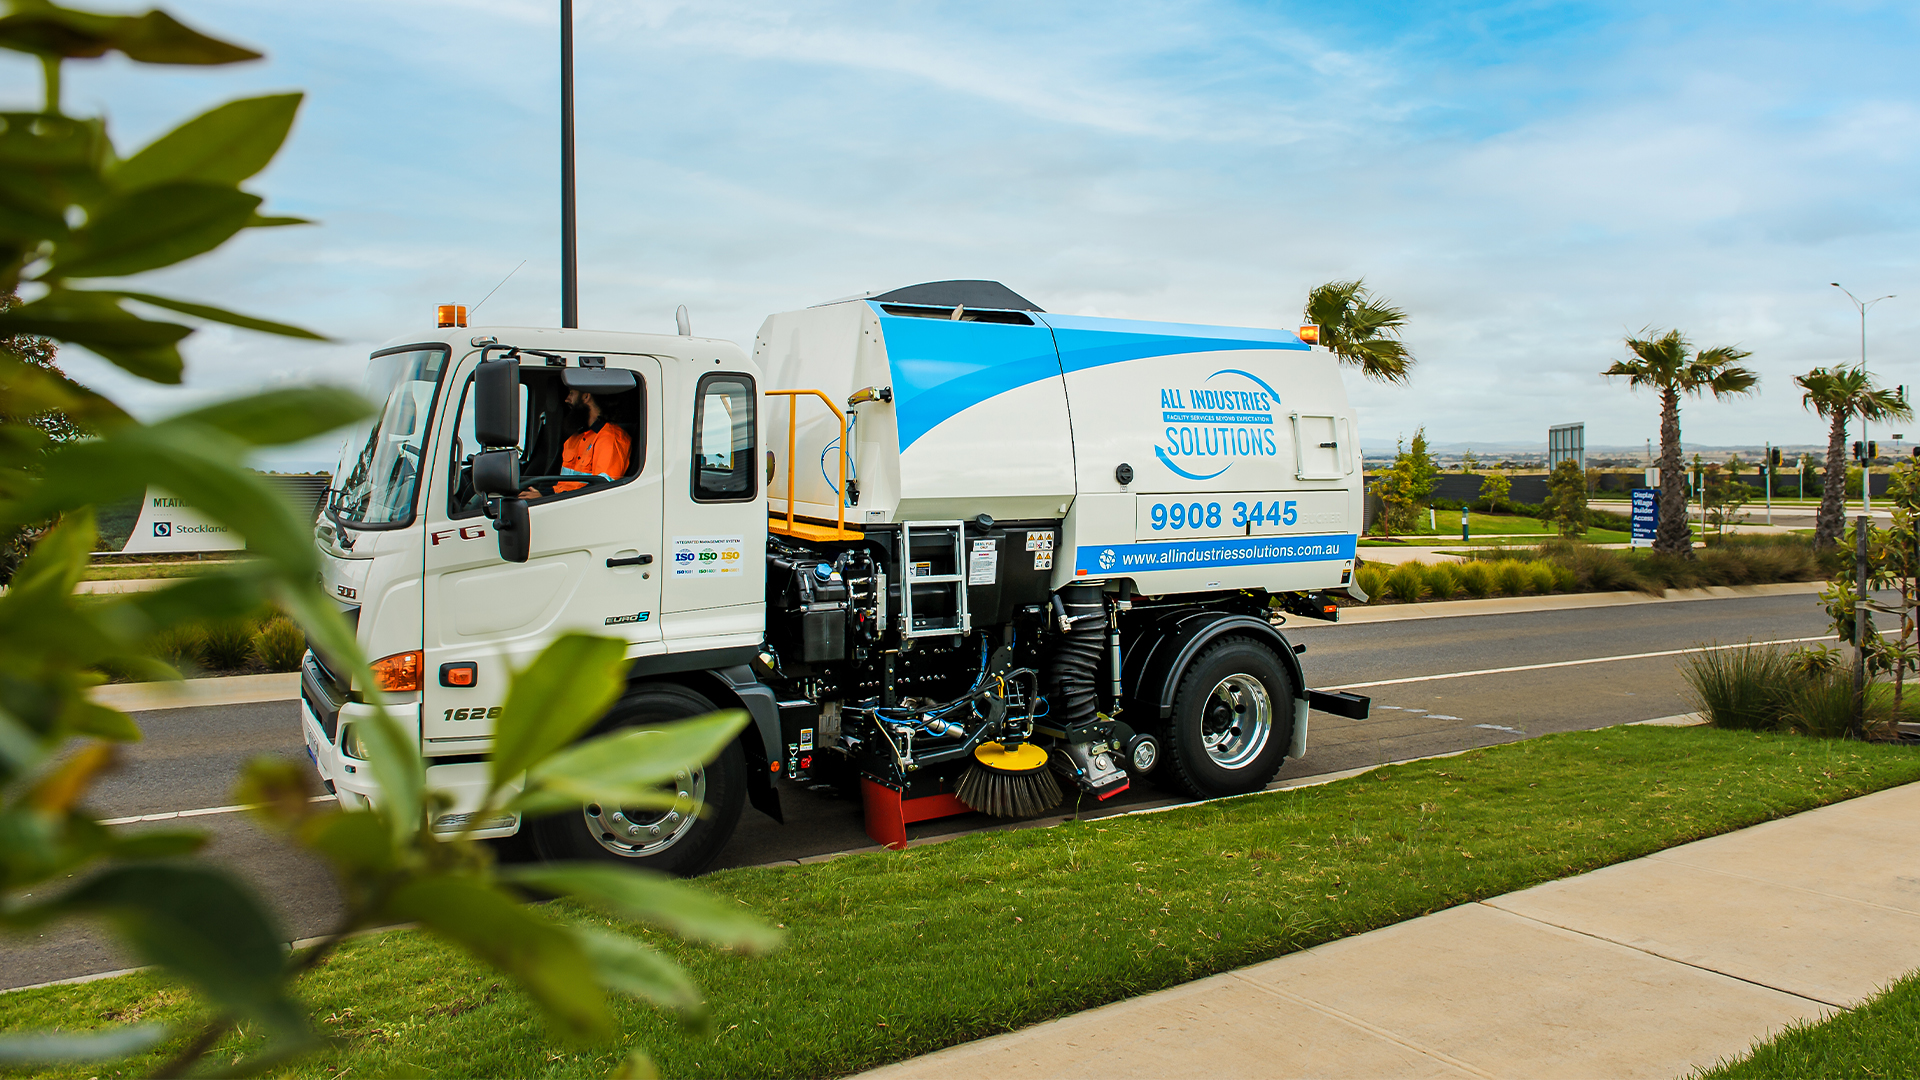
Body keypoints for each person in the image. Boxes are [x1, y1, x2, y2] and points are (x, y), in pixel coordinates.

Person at [521, 388, 631, 498]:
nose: (567, 399)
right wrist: (542, 494)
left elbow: (602, 488)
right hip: (565, 502)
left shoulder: (610, 439)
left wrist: (545, 498)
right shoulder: (574, 438)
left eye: (571, 393)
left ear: (586, 397)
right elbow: (565, 486)